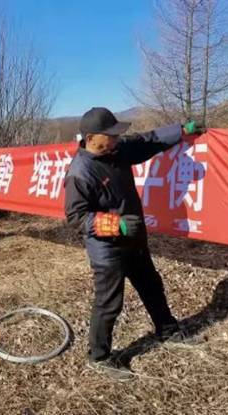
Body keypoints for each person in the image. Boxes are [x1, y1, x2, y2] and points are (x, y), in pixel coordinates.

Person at [64, 107, 205, 381]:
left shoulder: (117, 150)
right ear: (91, 138)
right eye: (111, 135)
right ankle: (99, 357)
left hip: (134, 240)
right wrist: (116, 225)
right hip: (107, 248)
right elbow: (76, 217)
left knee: (151, 285)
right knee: (109, 303)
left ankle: (167, 331)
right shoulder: (80, 172)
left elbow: (146, 140)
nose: (116, 139)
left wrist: (180, 131)